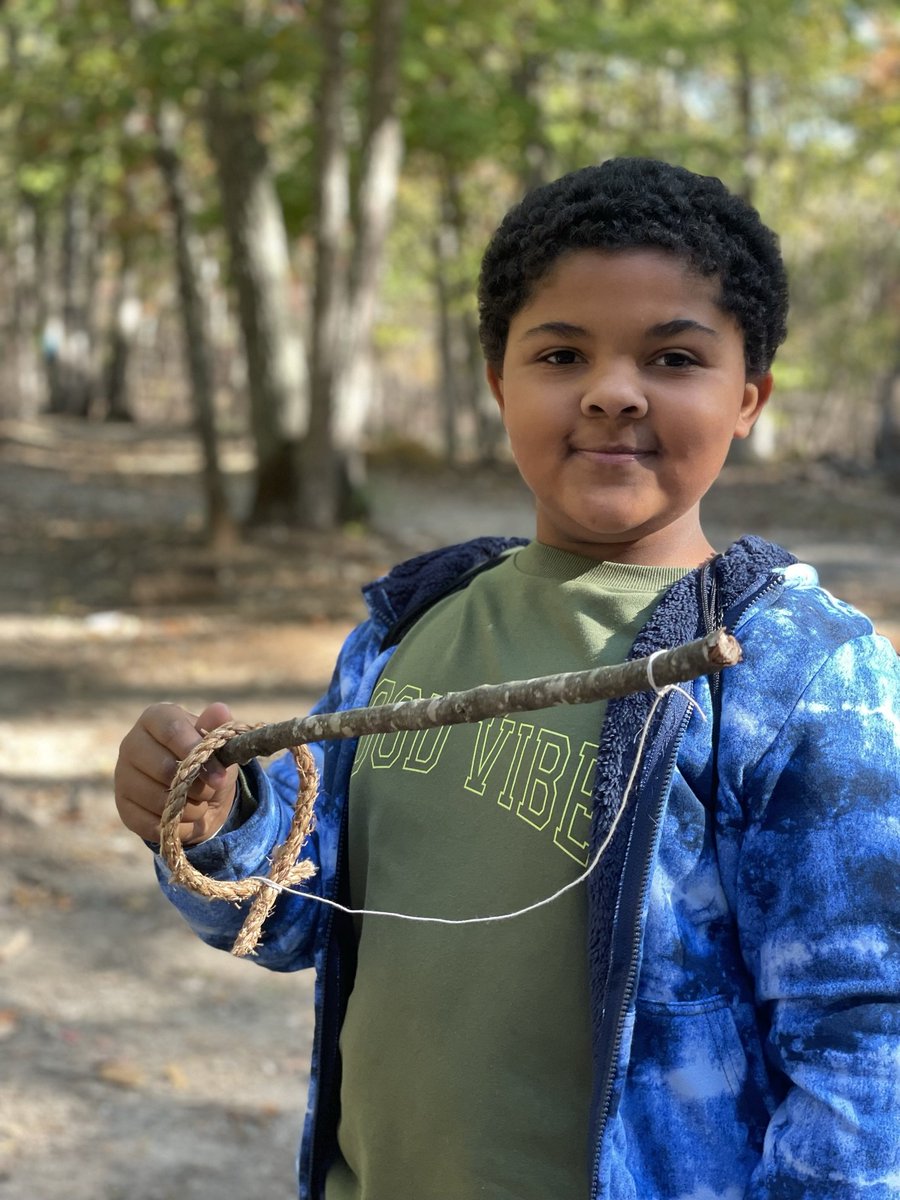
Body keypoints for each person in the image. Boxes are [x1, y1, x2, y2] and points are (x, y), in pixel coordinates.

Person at [114, 158, 900, 1200]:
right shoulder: (410, 626)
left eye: (672, 357)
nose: (613, 389)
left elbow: (866, 1038)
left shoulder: (802, 673)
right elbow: (295, 914)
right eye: (562, 351)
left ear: (748, 396)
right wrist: (218, 820)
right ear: (499, 384)